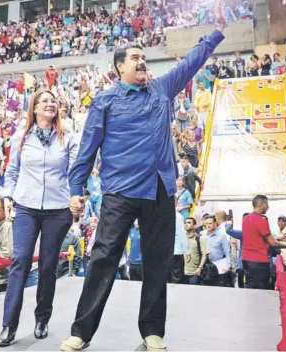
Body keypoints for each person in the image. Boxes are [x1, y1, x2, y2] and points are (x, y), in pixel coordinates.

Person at [62, 4, 227, 350]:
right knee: (103, 258)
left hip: (160, 190)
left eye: (144, 57)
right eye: (134, 58)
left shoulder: (162, 89)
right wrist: (77, 188)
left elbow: (191, 62)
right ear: (119, 66)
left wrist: (214, 35)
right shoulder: (104, 102)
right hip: (119, 192)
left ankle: (153, 330)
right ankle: (81, 332)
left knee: (157, 262)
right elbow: (87, 149)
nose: (142, 62)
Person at [0, 89, 78, 347]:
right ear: (33, 108)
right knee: (19, 261)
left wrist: (77, 198)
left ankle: (42, 318)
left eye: (53, 101)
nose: (50, 105)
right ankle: (9, 325)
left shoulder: (69, 138)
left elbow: (75, 173)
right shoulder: (20, 137)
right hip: (26, 207)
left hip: (57, 209)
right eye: (44, 101)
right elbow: (11, 172)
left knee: (47, 265)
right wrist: (9, 196)